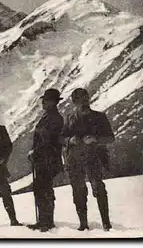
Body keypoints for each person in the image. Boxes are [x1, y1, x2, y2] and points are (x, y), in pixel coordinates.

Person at [60, 88, 115, 231]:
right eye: (80, 99)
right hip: (74, 160)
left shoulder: (100, 117)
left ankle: (106, 224)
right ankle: (83, 224)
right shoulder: (68, 118)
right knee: (78, 191)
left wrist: (95, 139)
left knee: (99, 188)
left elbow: (110, 137)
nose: (84, 102)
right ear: (74, 102)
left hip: (94, 158)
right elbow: (61, 138)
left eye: (86, 98)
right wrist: (70, 140)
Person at [27, 89, 64, 232]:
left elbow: (48, 141)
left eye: (46, 100)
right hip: (43, 159)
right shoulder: (49, 117)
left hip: (48, 159)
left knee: (44, 189)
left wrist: (34, 151)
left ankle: (47, 222)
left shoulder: (54, 118)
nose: (43, 102)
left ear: (54, 102)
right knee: (41, 188)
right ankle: (43, 220)